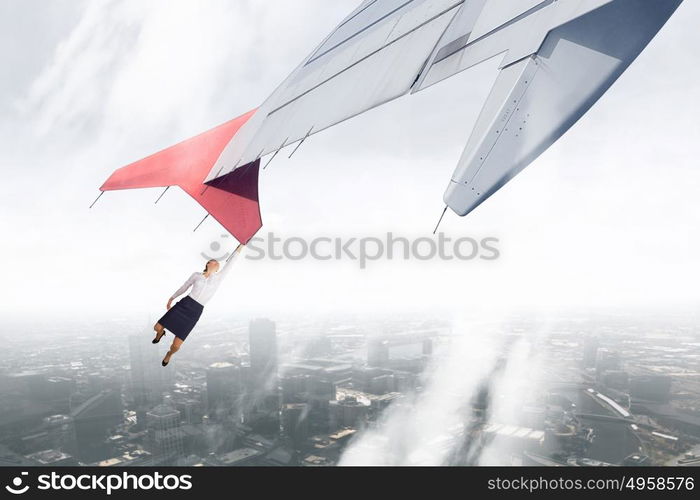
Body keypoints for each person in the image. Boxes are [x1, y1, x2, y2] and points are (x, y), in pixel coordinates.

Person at [153, 244, 244, 366]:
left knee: (175, 346)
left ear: (218, 269)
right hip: (184, 304)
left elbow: (231, 263)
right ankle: (160, 333)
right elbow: (184, 287)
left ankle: (169, 354)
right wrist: (172, 298)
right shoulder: (197, 275)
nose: (216, 263)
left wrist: (241, 246)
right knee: (157, 327)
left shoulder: (218, 278)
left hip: (195, 312)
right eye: (213, 261)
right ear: (208, 264)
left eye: (218, 263)